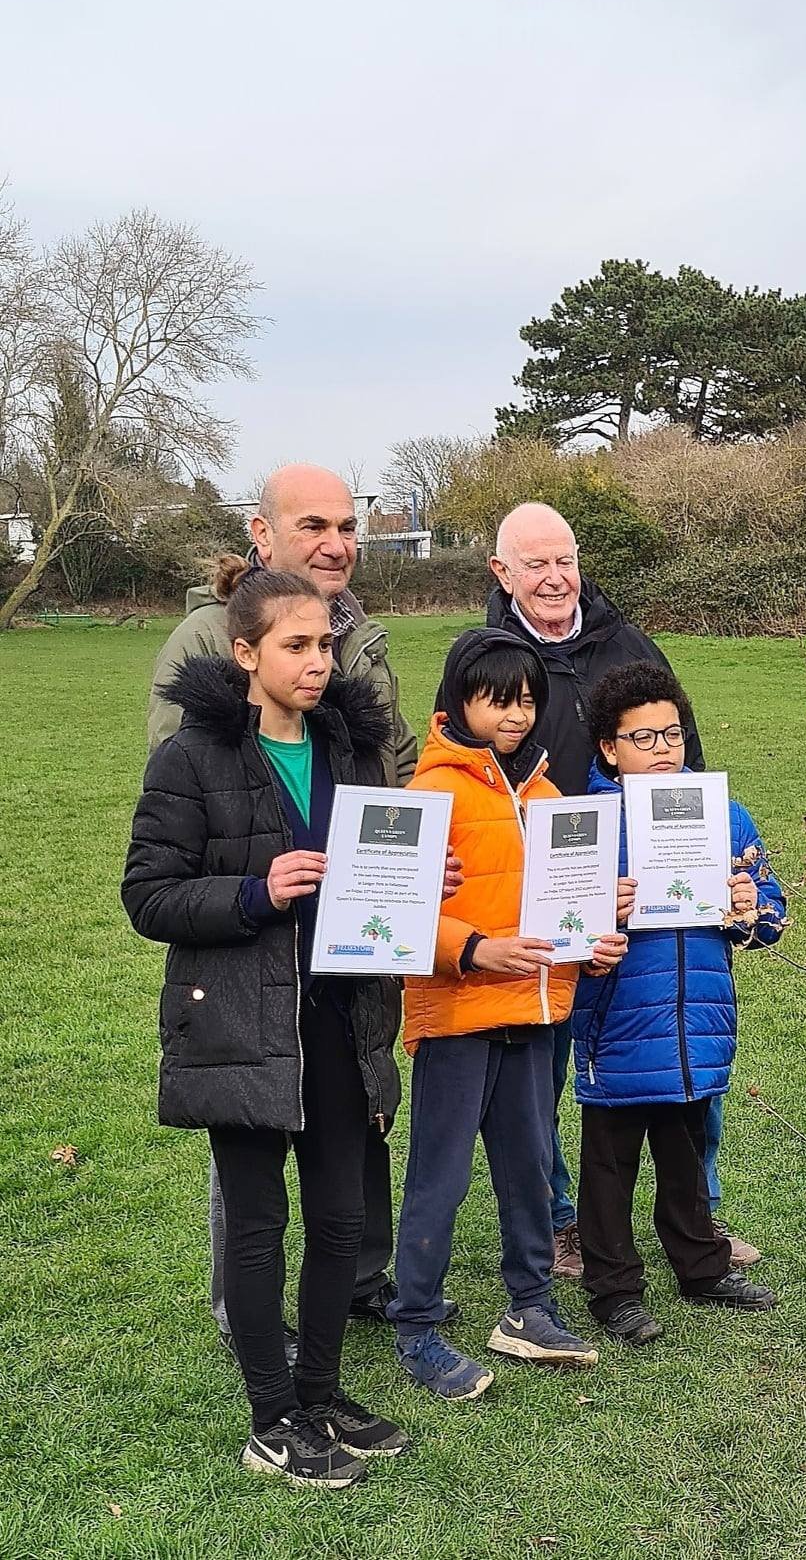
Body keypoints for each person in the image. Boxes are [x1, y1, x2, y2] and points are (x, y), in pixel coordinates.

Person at [123, 561, 407, 1488]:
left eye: (326, 643)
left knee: (337, 1218)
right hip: (239, 1027)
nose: (318, 663)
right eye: (296, 646)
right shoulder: (193, 756)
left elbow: (374, 876)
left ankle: (318, 1396)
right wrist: (255, 891)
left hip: (338, 1021)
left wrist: (416, 885)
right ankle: (272, 1420)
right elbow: (149, 895)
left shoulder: (353, 749)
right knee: (257, 1225)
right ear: (245, 653)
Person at [147, 463, 424, 1349]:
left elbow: (397, 767)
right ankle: (255, 1328)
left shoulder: (361, 644)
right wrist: (265, 880)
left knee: (349, 1136)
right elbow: (192, 797)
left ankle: (349, 1294)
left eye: (347, 525)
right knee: (258, 1158)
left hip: (349, 950)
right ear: (263, 534)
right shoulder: (203, 640)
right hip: (254, 958)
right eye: (313, 525)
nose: (336, 542)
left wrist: (414, 862)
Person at [485, 503, 759, 1275]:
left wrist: (740, 897)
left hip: (682, 959)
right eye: (533, 564)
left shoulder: (628, 643)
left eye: (563, 559)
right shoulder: (489, 657)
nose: (553, 577)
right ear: (502, 574)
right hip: (568, 900)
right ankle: (571, 1229)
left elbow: (700, 786)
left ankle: (699, 1227)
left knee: (688, 1098)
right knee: (581, 1098)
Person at [388, 628, 627, 1399]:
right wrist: (473, 949)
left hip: (535, 1016)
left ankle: (529, 1308)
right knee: (440, 1178)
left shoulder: (555, 802)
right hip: (458, 1019)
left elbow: (567, 916)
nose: (518, 714)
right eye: (499, 698)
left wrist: (593, 942)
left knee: (529, 1173)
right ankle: (416, 1323)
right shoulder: (430, 794)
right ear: (460, 702)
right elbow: (388, 918)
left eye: (528, 699)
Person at [569, 661, 784, 1344]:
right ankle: (612, 1288)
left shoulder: (723, 812)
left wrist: (752, 907)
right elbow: (553, 924)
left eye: (672, 734)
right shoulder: (584, 820)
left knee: (688, 1147)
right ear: (608, 747)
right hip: (619, 1019)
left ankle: (700, 1266)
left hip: (698, 1020)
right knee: (611, 1162)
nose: (663, 750)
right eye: (643, 738)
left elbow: (772, 917)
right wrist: (600, 908)